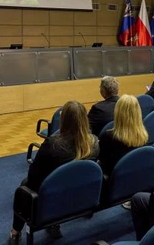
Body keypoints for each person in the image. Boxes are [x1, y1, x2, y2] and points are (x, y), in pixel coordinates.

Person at [9, 101, 99, 244]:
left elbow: (33, 177)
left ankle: (16, 232)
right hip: (81, 196)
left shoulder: (52, 144)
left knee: (25, 187)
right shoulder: (93, 143)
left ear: (63, 120)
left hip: (55, 198)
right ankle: (54, 224)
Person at [98, 94, 148, 176]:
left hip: (113, 184)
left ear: (117, 112)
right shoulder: (144, 137)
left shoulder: (107, 137)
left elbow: (103, 166)